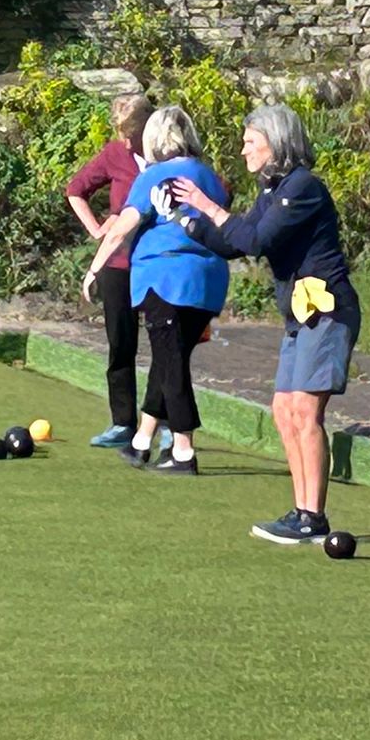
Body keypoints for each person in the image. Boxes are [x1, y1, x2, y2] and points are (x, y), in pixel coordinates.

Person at [173, 104, 359, 543]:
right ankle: (301, 511)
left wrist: (205, 205)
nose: (243, 151)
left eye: (250, 142)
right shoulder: (272, 191)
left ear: (276, 144)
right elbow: (233, 242)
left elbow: (256, 240)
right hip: (300, 313)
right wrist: (189, 222)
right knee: (282, 410)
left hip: (328, 310)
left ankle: (313, 516)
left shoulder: (304, 187)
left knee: (305, 411)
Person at [84, 106, 231, 476]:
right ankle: (140, 442)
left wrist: (95, 269)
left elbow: (121, 227)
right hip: (207, 283)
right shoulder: (209, 177)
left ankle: (183, 450)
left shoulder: (155, 176)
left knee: (171, 364)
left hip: (164, 279)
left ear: (154, 139)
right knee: (169, 360)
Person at [67, 93, 155, 450]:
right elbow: (75, 190)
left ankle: (158, 423)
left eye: (129, 133)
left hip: (158, 265)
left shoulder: (168, 152)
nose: (124, 141)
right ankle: (123, 423)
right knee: (121, 345)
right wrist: (98, 231)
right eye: (120, 132)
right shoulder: (114, 153)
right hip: (118, 264)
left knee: (166, 349)